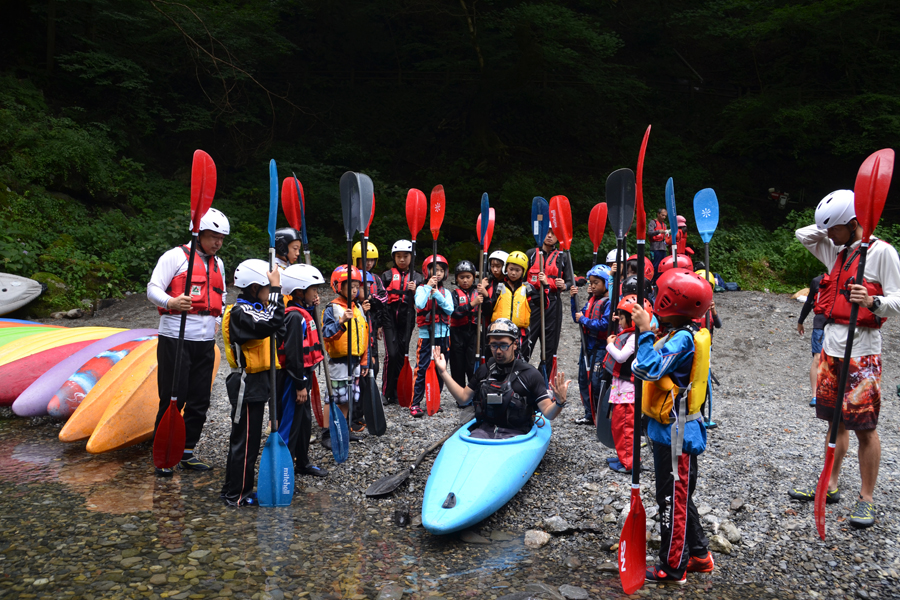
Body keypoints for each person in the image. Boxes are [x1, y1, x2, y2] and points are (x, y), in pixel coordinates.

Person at [790, 189, 900, 528]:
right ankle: (831, 484)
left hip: (862, 352)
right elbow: (803, 234)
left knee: (864, 427)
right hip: (832, 349)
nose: (828, 237)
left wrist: (871, 301)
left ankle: (866, 498)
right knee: (833, 422)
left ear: (853, 224)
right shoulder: (838, 250)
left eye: (834, 229)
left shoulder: (881, 253)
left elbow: (898, 300)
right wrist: (830, 227)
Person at [632, 267, 714, 583]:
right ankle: (699, 554)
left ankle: (672, 567)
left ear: (672, 303)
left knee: (672, 499)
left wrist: (642, 333)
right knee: (677, 495)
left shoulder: (683, 338)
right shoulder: (676, 331)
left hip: (677, 433)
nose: (654, 301)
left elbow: (649, 368)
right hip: (667, 429)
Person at [147, 207, 229, 476]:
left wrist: (216, 324)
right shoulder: (175, 257)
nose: (218, 242)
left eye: (221, 238)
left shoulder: (219, 264)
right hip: (175, 338)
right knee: (173, 397)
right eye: (213, 236)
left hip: (205, 342)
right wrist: (171, 301)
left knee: (199, 400)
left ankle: (187, 453)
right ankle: (164, 453)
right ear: (199, 233)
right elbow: (152, 289)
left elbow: (223, 295)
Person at [432, 318, 571, 439]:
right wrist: (443, 372)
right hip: (484, 432)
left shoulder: (530, 374)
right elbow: (463, 398)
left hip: (517, 435)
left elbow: (548, 413)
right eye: (494, 345)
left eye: (504, 345)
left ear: (515, 344)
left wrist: (559, 403)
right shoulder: (484, 371)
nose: (498, 351)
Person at [220, 259, 284, 507]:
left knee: (248, 439)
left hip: (256, 383)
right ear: (253, 286)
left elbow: (274, 319)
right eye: (267, 288)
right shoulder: (240, 312)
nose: (270, 293)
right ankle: (237, 495)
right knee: (245, 441)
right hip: (246, 383)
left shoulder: (254, 308)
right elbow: (272, 322)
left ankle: (233, 490)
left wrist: (275, 291)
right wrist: (277, 289)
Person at [278, 263, 328, 476]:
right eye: (313, 289)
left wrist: (310, 305)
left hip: (304, 376)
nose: (317, 293)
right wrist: (299, 384)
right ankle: (283, 471)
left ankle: (302, 463)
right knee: (290, 425)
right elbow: (294, 355)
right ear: (299, 291)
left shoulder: (302, 313)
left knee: (304, 423)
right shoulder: (294, 317)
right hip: (293, 378)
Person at [604, 295, 651, 474]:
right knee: (618, 425)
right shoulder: (630, 333)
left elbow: (622, 356)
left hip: (628, 392)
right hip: (622, 390)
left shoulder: (634, 338)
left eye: (622, 318)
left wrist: (609, 345)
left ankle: (630, 463)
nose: (620, 322)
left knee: (625, 427)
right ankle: (623, 456)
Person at [321, 265, 370, 437]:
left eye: (357, 286)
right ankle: (327, 432)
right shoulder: (332, 309)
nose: (355, 290)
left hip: (355, 361)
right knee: (333, 398)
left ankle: (343, 429)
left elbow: (365, 337)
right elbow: (325, 335)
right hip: (339, 361)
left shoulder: (358, 309)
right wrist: (341, 322)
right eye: (351, 286)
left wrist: (365, 361)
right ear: (338, 286)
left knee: (348, 397)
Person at [410, 255, 454, 418]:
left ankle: (434, 399)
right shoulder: (422, 289)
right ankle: (415, 403)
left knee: (440, 369)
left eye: (441, 270)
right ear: (426, 271)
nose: (438, 273)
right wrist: (429, 288)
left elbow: (450, 310)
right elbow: (420, 304)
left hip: (443, 336)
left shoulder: (446, 292)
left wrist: (438, 296)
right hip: (427, 336)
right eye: (434, 270)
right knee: (422, 369)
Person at [380, 240, 422, 405]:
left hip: (407, 318)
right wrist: (378, 324)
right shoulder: (387, 276)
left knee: (402, 355)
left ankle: (398, 392)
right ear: (394, 258)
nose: (402, 259)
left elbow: (423, 302)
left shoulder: (418, 278)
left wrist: (416, 290)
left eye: (406, 256)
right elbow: (381, 299)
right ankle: (386, 391)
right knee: (391, 353)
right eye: (399, 256)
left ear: (412, 257)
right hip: (389, 318)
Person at [526, 229, 573, 371]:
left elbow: (570, 281)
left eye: (553, 233)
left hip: (553, 303)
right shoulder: (531, 254)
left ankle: (543, 379)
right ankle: (521, 376)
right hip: (532, 302)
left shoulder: (563, 256)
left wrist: (564, 285)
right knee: (527, 341)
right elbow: (520, 279)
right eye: (546, 232)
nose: (550, 236)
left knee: (550, 345)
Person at [570, 264, 611, 425]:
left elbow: (603, 324)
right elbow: (577, 317)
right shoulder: (592, 300)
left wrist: (584, 320)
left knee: (596, 382)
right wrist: (574, 301)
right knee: (583, 380)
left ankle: (600, 415)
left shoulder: (608, 303)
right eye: (591, 283)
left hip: (600, 348)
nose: (592, 286)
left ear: (606, 283)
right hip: (587, 347)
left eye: (596, 283)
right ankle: (589, 414)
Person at [491, 251, 536, 357]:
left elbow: (543, 304)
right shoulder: (499, 287)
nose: (513, 273)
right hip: (500, 330)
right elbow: (489, 307)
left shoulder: (527, 288)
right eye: (511, 269)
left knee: (518, 358)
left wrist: (545, 286)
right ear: (506, 269)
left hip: (519, 332)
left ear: (523, 272)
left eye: (517, 270)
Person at [449, 260, 483, 387]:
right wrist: (471, 304)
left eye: (468, 277)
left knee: (471, 363)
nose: (465, 280)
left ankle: (473, 390)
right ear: (456, 279)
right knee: (458, 364)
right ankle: (460, 393)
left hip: (473, 332)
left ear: (474, 278)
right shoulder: (454, 295)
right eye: (461, 277)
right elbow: (454, 313)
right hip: (457, 333)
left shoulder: (478, 292)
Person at [797, 273, 826, 407]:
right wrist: (801, 321)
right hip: (822, 324)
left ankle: (821, 395)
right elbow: (809, 302)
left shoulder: (817, 280)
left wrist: (800, 321)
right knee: (818, 358)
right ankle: (815, 395)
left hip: (831, 324)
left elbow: (809, 302)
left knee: (820, 358)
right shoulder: (817, 281)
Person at [648, 208, 669, 275]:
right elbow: (650, 233)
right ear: (658, 214)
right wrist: (658, 231)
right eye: (662, 215)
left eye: (665, 216)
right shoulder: (653, 222)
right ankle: (653, 281)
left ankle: (660, 280)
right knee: (655, 265)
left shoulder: (664, 224)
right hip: (655, 247)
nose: (664, 217)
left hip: (663, 247)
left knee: (663, 265)